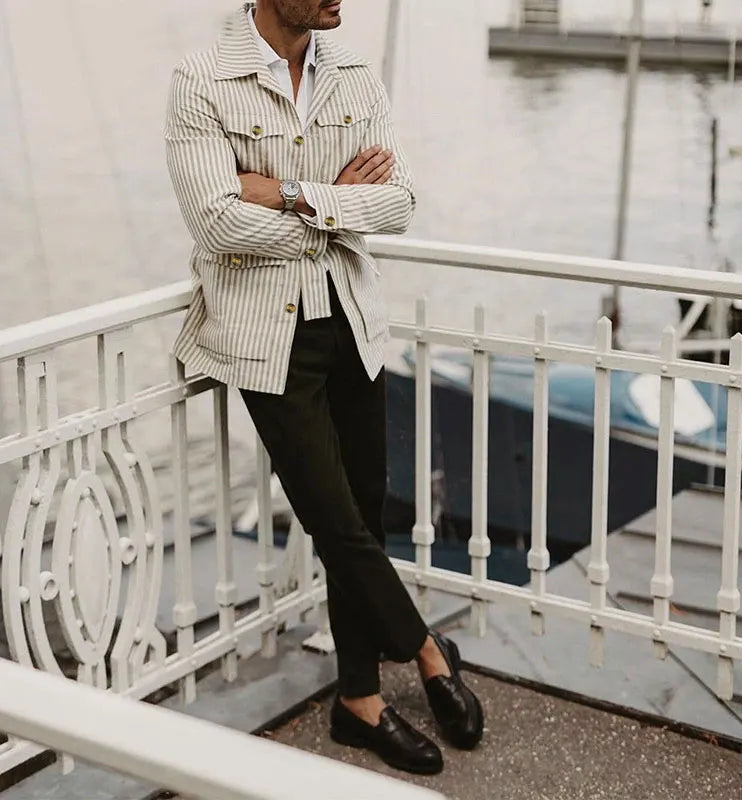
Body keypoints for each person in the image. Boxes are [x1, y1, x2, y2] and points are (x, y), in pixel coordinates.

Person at [164, 0, 483, 776]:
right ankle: (429, 653)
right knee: (334, 520)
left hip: (351, 322)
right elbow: (216, 224)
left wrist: (292, 192)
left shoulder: (353, 76)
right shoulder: (202, 80)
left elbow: (399, 204)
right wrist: (342, 204)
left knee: (362, 514)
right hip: (267, 337)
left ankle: (359, 703)